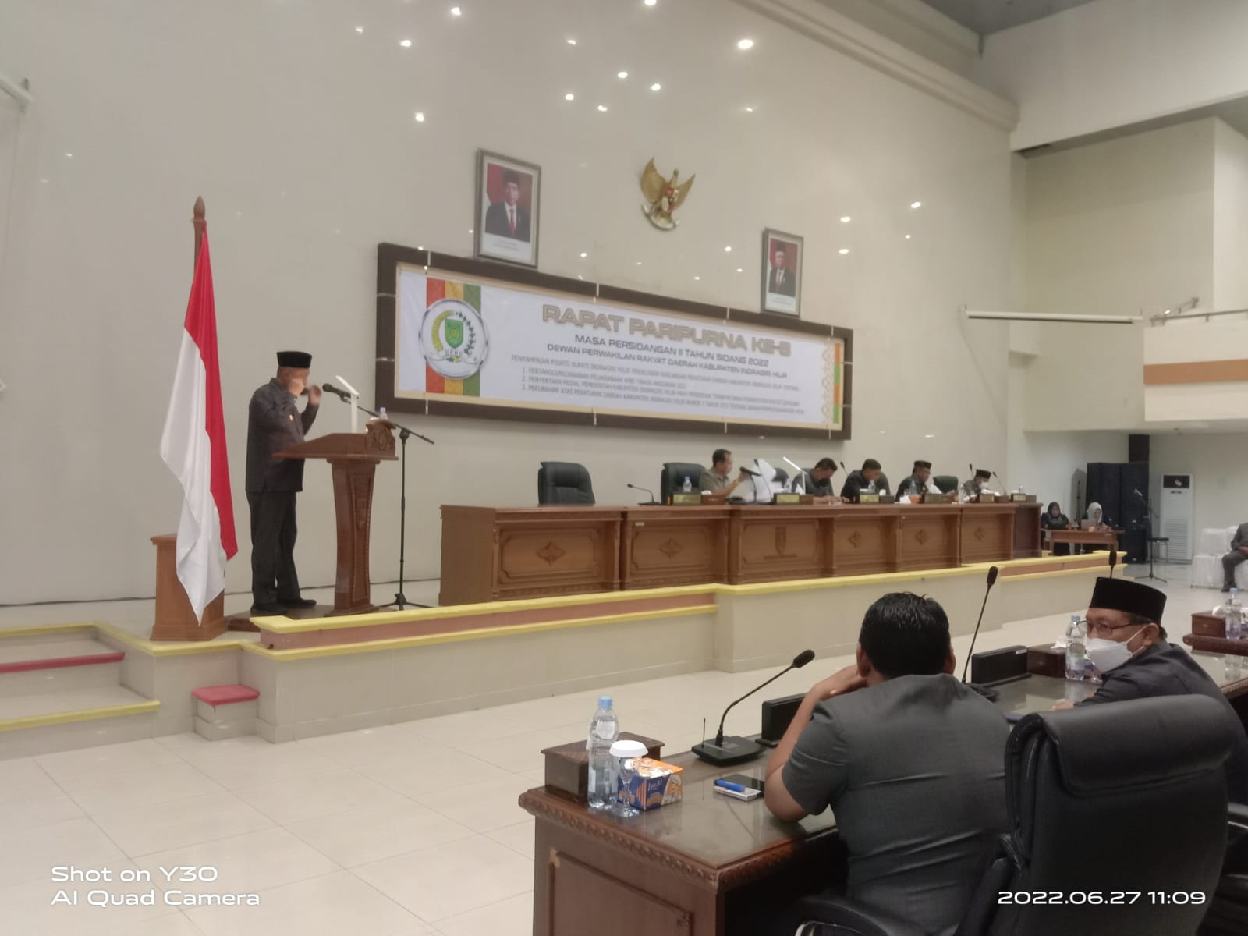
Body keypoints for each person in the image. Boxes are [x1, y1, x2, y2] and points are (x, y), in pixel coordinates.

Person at [763, 593, 1010, 936]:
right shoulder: (992, 717)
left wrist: (814, 697)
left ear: (861, 659)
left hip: (888, 927)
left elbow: (779, 799)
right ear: (950, 661)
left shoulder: (842, 723)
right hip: (988, 922)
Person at [1055, 576, 1248, 804]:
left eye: (1105, 627)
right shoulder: (1169, 657)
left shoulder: (1141, 682)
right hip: (1208, 797)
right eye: (1089, 626)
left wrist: (1071, 708)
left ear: (1147, 634)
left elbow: (1061, 727)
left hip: (1221, 814)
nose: (1093, 637)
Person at [246, 351, 321, 614]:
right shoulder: (263, 396)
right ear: (288, 374)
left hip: (286, 481)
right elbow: (278, 423)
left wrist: (312, 407)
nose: (306, 381)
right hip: (267, 481)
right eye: (303, 376)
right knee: (266, 542)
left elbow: (296, 431)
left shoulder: (286, 401)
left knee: (286, 541)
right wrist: (293, 397)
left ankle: (288, 594)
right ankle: (264, 599)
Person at [483, 169, 531, 242]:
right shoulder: (493, 211)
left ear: (518, 193)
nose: (511, 193)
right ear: (503, 190)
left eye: (514, 189)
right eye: (508, 188)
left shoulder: (525, 216)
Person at [1222, 522, 1248, 592]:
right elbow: (1234, 542)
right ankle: (1230, 583)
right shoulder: (1243, 527)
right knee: (1227, 558)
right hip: (1243, 551)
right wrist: (1242, 548)